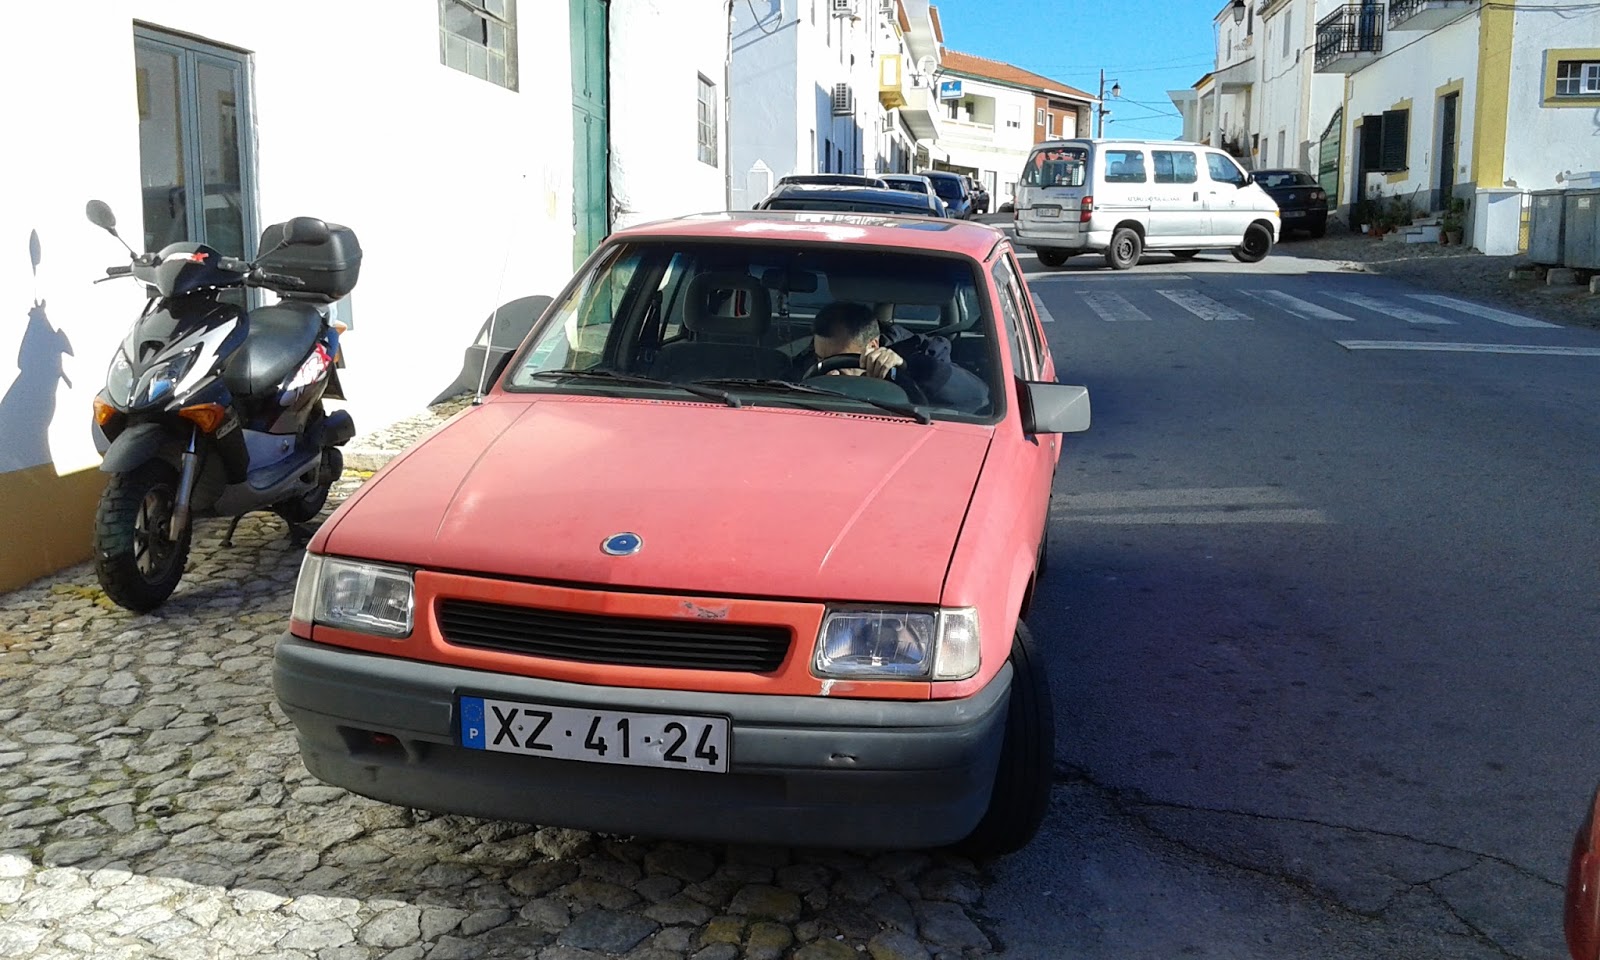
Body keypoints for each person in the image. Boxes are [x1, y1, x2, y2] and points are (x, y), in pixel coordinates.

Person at [803, 301, 989, 413]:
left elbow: (978, 396)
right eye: (821, 359)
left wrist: (908, 368)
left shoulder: (925, 353)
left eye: (839, 360)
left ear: (872, 347)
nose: (831, 373)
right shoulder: (810, 359)